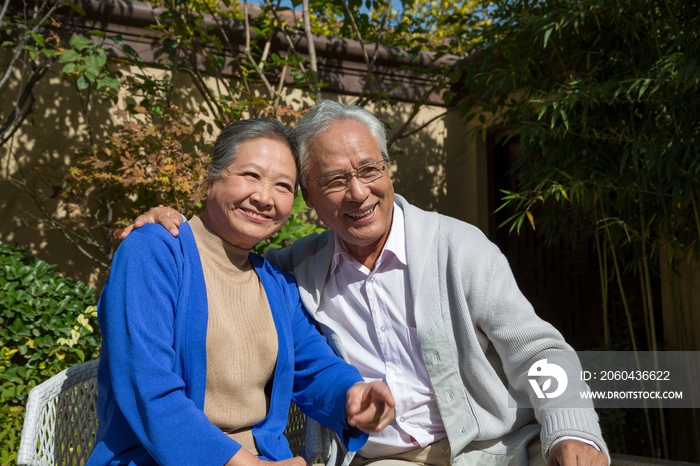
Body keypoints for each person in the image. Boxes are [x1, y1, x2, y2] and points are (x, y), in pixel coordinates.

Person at [124, 101, 610, 466]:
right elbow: (154, 380)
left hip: (494, 451)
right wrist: (156, 224)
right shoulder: (292, 270)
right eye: (334, 180)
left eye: (369, 170)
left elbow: (539, 350)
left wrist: (573, 429)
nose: (358, 192)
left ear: (387, 170)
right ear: (311, 198)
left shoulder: (457, 248)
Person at [89, 118, 395, 466]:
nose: (264, 197)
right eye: (250, 175)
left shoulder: (275, 283)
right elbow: (149, 389)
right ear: (212, 177)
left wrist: (353, 396)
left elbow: (315, 366)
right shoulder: (155, 252)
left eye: (282, 185)